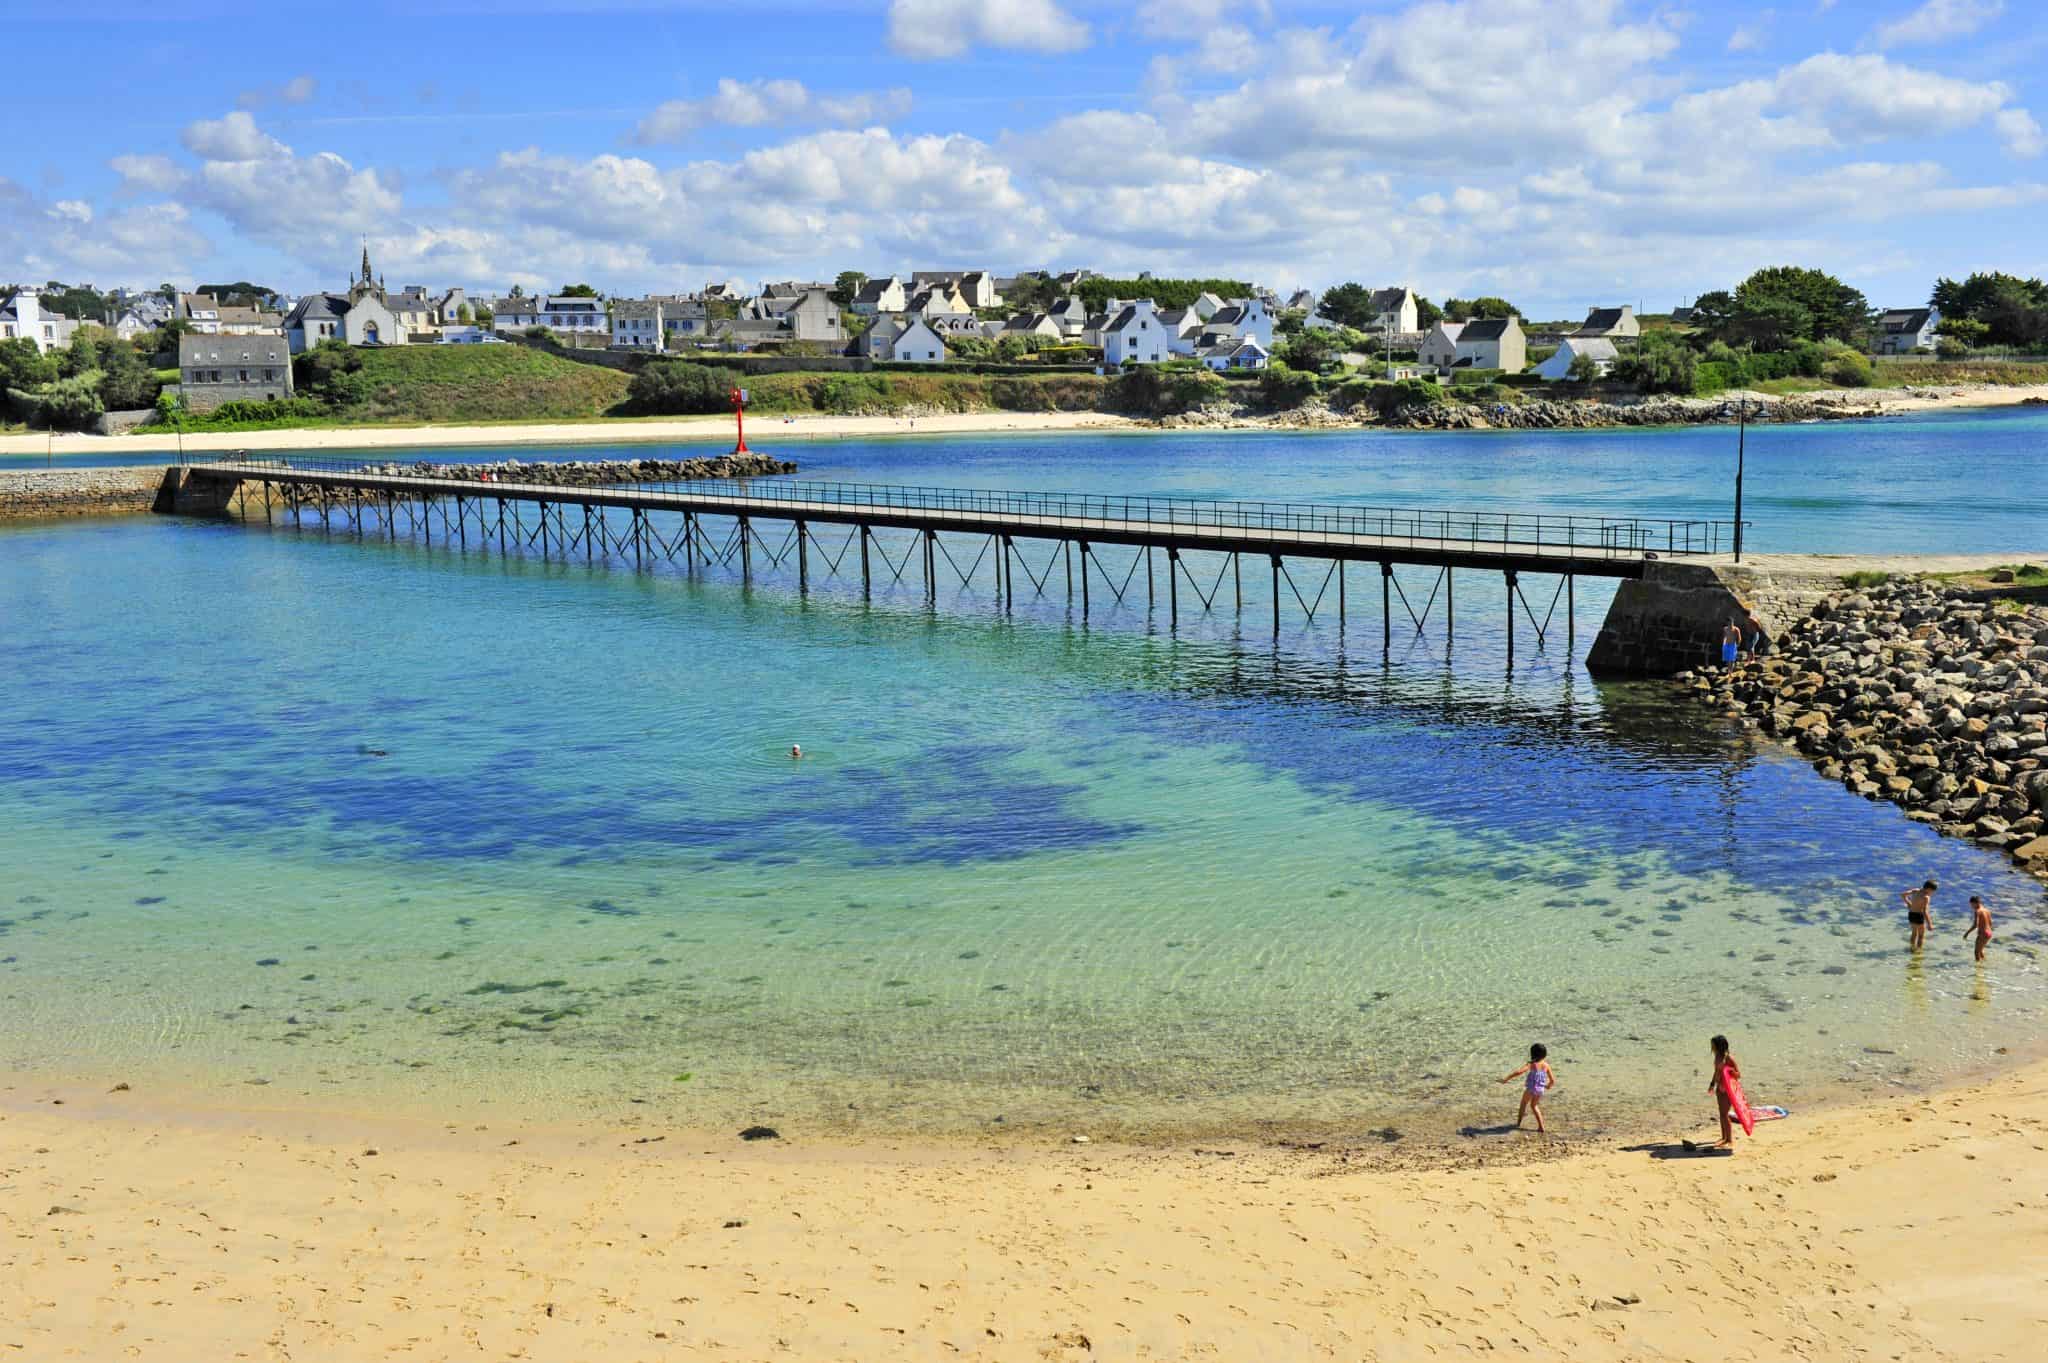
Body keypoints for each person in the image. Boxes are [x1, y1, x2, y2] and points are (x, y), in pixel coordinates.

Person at [1500, 1043, 1556, 1133]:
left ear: (1532, 1054)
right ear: (1544, 1054)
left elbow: (1519, 1072)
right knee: (1534, 1106)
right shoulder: (1546, 1065)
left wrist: (1506, 1079)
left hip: (1531, 1089)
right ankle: (1541, 1127)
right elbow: (1552, 1080)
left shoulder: (1531, 1064)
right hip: (1540, 1089)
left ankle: (1518, 1123)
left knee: (1523, 1104)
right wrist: (1548, 1086)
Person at [1708, 1035, 1744, 1149]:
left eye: (1713, 1045)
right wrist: (1712, 1084)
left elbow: (1738, 1075)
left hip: (1728, 1089)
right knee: (1721, 1114)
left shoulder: (1728, 1058)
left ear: (1719, 1046)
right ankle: (1723, 1137)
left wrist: (1731, 1071)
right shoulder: (1717, 1056)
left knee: (1724, 1114)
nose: (1711, 1047)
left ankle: (1729, 1139)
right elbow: (1716, 1072)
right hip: (1720, 1088)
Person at [1903, 879, 1936, 951]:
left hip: (1911, 914)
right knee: (1921, 936)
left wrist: (1908, 903)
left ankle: (1912, 948)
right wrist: (1929, 924)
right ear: (1929, 889)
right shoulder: (1926, 897)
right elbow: (1925, 911)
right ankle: (1918, 951)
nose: (1932, 893)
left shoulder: (1915, 891)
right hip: (1919, 916)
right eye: (1932, 891)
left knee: (1914, 933)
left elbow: (1903, 895)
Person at [1964, 895, 1994, 962]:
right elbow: (1990, 923)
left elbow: (1975, 925)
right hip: (1989, 933)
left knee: (1976, 952)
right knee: (1980, 951)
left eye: (1971, 905)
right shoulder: (1986, 910)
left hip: (1983, 933)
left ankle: (1978, 969)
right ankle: (1984, 963)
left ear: (1975, 903)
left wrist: (1967, 933)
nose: (1971, 907)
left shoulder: (1977, 911)